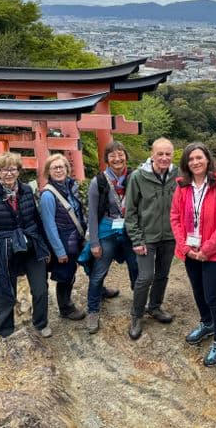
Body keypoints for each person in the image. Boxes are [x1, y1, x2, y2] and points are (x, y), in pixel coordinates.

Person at [170, 142, 216, 366]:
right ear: (186, 164)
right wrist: (187, 248)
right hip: (189, 250)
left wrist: (206, 249)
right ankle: (207, 323)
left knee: (213, 296)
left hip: (213, 253)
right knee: (198, 291)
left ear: (207, 159)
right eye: (191, 159)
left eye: (199, 158)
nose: (195, 162)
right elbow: (175, 218)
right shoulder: (182, 186)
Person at [0, 152, 52, 339]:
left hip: (30, 246)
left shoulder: (26, 190)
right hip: (4, 248)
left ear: (18, 171)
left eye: (13, 169)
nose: (9, 173)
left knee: (41, 289)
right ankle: (6, 331)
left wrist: (45, 247)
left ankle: (40, 323)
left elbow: (37, 219)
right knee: (5, 292)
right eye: (4, 169)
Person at [125, 138, 178, 340]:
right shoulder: (139, 176)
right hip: (147, 236)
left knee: (162, 274)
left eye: (168, 154)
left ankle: (155, 306)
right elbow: (130, 212)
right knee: (145, 276)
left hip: (169, 235)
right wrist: (136, 240)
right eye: (160, 154)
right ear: (152, 154)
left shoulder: (177, 175)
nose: (164, 158)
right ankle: (136, 315)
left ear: (172, 155)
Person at [85, 140, 139, 334]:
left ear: (126, 156)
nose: (117, 158)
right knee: (99, 271)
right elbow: (91, 214)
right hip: (107, 227)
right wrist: (94, 242)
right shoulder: (98, 181)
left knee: (136, 267)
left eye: (121, 154)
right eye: (112, 155)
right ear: (107, 159)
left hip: (130, 229)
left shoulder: (135, 177)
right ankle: (92, 310)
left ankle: (139, 306)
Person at [39, 154, 87, 321]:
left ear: (67, 169)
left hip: (76, 237)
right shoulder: (47, 195)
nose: (59, 170)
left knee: (85, 266)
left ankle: (99, 290)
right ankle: (66, 308)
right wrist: (59, 251)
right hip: (63, 241)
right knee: (66, 275)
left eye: (62, 167)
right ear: (48, 172)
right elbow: (49, 226)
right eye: (55, 168)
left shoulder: (71, 186)